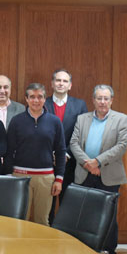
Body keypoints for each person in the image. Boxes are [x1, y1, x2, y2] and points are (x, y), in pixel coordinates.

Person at [70, 84, 127, 254]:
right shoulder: (82, 119)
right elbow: (73, 143)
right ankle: (85, 249)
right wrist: (88, 164)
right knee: (85, 214)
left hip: (108, 175)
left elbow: (121, 146)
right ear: (93, 100)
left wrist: (98, 162)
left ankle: (108, 252)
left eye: (106, 98)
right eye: (99, 98)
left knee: (108, 216)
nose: (102, 102)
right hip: (84, 173)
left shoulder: (122, 119)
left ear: (111, 100)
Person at [5, 83, 66, 226]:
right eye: (32, 97)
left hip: (46, 178)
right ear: (26, 99)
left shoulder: (55, 122)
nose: (36, 100)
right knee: (20, 219)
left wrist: (59, 179)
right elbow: (9, 150)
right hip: (20, 176)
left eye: (40, 97)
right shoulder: (17, 121)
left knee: (43, 221)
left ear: (45, 99)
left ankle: (42, 249)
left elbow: (61, 151)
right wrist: (8, 176)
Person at [43, 69, 88, 221]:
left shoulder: (80, 105)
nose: (61, 83)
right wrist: (51, 155)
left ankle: (63, 239)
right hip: (46, 162)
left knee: (67, 205)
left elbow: (81, 133)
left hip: (70, 162)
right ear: (52, 84)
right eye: (58, 80)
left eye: (64, 81)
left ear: (70, 85)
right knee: (46, 206)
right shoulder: (43, 103)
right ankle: (47, 238)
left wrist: (65, 154)